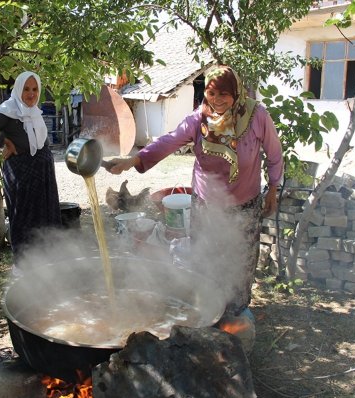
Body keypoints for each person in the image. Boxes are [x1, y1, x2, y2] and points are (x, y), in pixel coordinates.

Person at [106, 64, 283, 316]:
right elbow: (168, 141)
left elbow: (275, 155)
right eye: (211, 93)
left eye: (224, 94)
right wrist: (132, 161)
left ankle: (235, 313)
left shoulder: (257, 116)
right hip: (207, 204)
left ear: (236, 93)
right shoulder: (199, 119)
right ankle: (207, 309)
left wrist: (273, 189)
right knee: (206, 258)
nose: (217, 100)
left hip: (245, 204)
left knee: (239, 261)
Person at [0, 71, 62, 263]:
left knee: (46, 212)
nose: (31, 94)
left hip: (43, 171)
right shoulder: (9, 110)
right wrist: (4, 142)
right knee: (24, 216)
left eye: (35, 89)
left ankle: (48, 261)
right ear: (17, 89)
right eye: (26, 89)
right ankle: (24, 264)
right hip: (21, 173)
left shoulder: (35, 112)